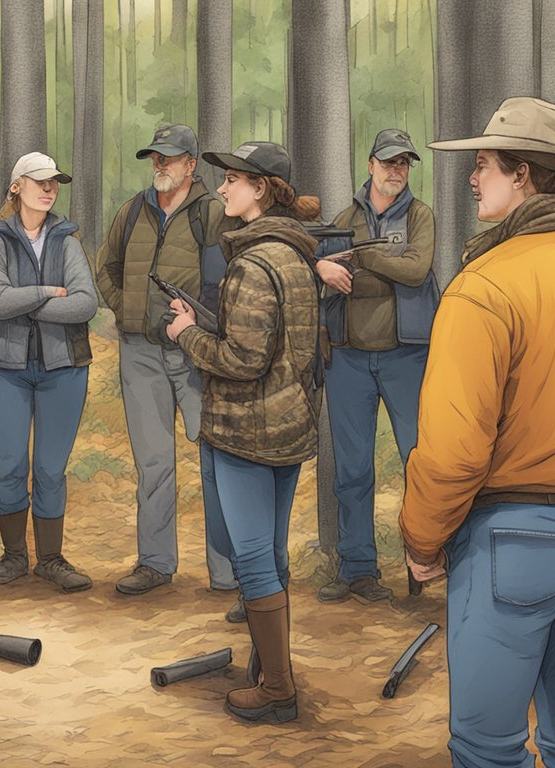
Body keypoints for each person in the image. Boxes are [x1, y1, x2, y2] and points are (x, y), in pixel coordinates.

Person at [402, 97, 555, 767]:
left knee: (487, 748)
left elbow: (451, 451)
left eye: (483, 165)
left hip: (511, 542)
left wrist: (422, 543)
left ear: (524, 174)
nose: (473, 179)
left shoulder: (484, 286)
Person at [167, 141, 322, 723]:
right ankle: (267, 665)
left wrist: (186, 332)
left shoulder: (253, 264)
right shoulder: (295, 255)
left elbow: (243, 358)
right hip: (286, 426)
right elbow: (291, 351)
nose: (224, 189)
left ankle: (277, 687)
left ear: (261, 190)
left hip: (245, 432)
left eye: (233, 180)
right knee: (272, 552)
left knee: (253, 556)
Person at [95, 124, 239, 608]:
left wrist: (206, 326)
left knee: (216, 461)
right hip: (140, 354)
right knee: (153, 461)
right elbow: (106, 268)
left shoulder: (214, 213)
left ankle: (228, 569)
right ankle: (155, 563)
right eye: (155, 157)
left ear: (191, 164)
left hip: (197, 353)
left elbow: (238, 273)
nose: (160, 165)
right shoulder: (133, 210)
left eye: (170, 157)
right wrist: (126, 309)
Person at [314, 128, 438, 604]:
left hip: (407, 356)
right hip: (348, 358)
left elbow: (416, 269)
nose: (396, 171)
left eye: (404, 164)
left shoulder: (420, 216)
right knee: (352, 470)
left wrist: (362, 254)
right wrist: (327, 266)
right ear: (370, 165)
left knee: (420, 463)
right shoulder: (343, 218)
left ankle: (423, 564)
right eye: (388, 162)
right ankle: (358, 568)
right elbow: (323, 267)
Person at [0, 151, 98, 592]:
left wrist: (24, 302)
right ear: (17, 187)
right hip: (7, 368)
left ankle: (50, 558)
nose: (49, 189)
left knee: (50, 468)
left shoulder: (67, 240)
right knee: (8, 465)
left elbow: (86, 302)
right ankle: (13, 556)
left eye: (55, 183)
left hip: (63, 366)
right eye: (40, 181)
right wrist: (48, 292)